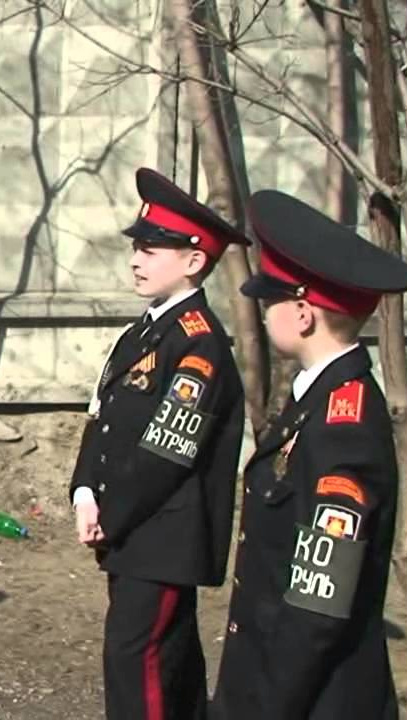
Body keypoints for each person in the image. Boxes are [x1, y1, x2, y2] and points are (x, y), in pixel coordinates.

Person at [211, 190, 407, 720]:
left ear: (303, 314)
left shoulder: (342, 428)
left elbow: (318, 603)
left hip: (309, 698)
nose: (265, 313)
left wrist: (267, 706)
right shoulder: (316, 401)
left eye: (272, 302)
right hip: (274, 675)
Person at [69, 167, 248, 720]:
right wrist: (84, 491)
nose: (135, 260)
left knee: (137, 661)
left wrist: (113, 512)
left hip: (164, 534)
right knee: (170, 661)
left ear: (193, 261)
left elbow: (168, 451)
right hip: (135, 530)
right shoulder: (141, 333)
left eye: (151, 250)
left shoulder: (199, 344)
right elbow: (102, 417)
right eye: (136, 248)